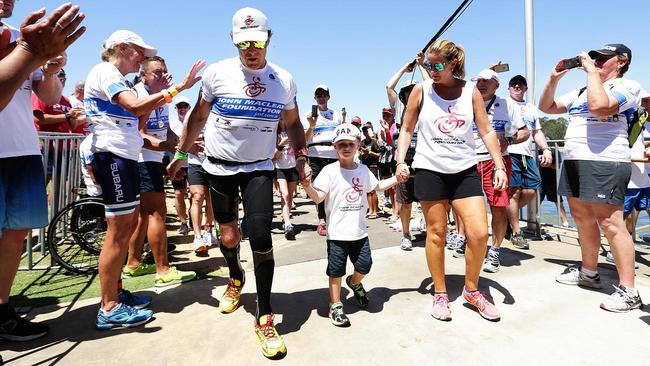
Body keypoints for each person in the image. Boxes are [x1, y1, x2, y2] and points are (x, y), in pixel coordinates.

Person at [167, 7, 308, 358]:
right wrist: (182, 154)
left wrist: (302, 158)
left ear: (268, 39)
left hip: (259, 167)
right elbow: (199, 116)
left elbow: (292, 123)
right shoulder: (217, 73)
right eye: (243, 42)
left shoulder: (284, 80)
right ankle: (235, 277)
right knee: (228, 235)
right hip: (218, 166)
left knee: (261, 235)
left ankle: (264, 315)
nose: (251, 49)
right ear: (234, 40)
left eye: (257, 42)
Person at [86, 29, 204, 330]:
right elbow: (136, 107)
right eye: (140, 52)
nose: (143, 59)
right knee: (118, 231)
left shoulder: (118, 77)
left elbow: (142, 118)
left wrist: (179, 145)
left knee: (125, 229)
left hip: (123, 158)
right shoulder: (105, 71)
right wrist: (179, 88)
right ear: (122, 48)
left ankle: (115, 292)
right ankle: (109, 306)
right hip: (114, 157)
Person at [395, 39, 506, 321]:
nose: (432, 69)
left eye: (438, 65)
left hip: (465, 169)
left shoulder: (470, 91)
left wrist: (499, 165)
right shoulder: (421, 91)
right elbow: (406, 129)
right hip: (430, 169)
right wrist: (400, 161)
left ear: (453, 64)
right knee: (437, 233)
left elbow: (487, 131)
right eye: (429, 65)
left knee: (480, 233)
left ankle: (472, 290)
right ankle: (441, 293)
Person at [0, 2, 85, 342]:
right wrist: (27, 52)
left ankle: (3, 310)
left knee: (16, 235)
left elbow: (48, 96)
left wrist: (50, 68)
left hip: (21, 151)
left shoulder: (24, 37)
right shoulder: (23, 41)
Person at [539, 43, 643, 312]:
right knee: (582, 218)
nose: (596, 62)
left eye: (603, 59)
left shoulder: (628, 86)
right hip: (574, 162)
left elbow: (600, 107)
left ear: (621, 62)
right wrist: (553, 78)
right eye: (594, 57)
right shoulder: (583, 89)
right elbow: (547, 107)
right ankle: (589, 272)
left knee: (611, 223)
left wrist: (590, 72)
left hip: (605, 162)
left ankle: (629, 291)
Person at [300, 124, 398, 327]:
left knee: (365, 265)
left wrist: (397, 178)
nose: (346, 148)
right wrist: (307, 185)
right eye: (341, 144)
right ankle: (335, 305)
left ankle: (354, 283)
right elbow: (318, 198)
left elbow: (377, 187)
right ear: (335, 147)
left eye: (350, 144)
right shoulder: (329, 171)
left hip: (359, 232)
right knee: (335, 272)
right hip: (336, 234)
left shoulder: (363, 170)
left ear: (358, 146)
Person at [122, 56, 197, 286]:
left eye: (165, 71)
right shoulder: (139, 95)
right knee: (157, 213)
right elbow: (140, 136)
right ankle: (163, 270)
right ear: (142, 74)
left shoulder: (161, 99)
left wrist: (182, 149)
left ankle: (133, 264)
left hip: (152, 160)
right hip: (142, 160)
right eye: (157, 72)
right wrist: (172, 147)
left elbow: (167, 134)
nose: (163, 75)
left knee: (145, 215)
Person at [459, 69, 529, 274]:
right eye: (478, 80)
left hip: (496, 161)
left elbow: (524, 131)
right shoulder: (467, 102)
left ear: (496, 85)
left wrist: (508, 140)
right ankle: (466, 239)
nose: (481, 84)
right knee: (464, 205)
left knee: (498, 207)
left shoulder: (508, 105)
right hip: (468, 162)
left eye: (486, 81)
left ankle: (495, 250)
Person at [386, 53, 431, 250]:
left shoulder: (428, 105)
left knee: (428, 202)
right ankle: (406, 235)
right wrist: (405, 69)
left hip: (425, 160)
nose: (410, 93)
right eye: (407, 91)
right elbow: (389, 86)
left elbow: (429, 83)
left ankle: (431, 232)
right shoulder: (398, 108)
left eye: (414, 90)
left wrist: (421, 65)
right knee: (405, 202)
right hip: (404, 161)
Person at [505, 74, 553, 250]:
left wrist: (546, 149)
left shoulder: (531, 108)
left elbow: (537, 132)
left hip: (527, 155)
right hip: (509, 152)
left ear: (525, 88)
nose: (517, 87)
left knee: (532, 190)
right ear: (508, 88)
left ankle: (506, 217)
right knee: (514, 192)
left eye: (521, 84)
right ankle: (516, 232)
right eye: (513, 84)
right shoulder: (503, 104)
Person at [305, 84, 343, 236]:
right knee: (319, 188)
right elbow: (305, 138)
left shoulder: (337, 114)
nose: (321, 97)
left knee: (334, 188)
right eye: (318, 95)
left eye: (323, 94)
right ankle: (321, 219)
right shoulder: (309, 114)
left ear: (328, 97)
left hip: (333, 154)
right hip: (316, 154)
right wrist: (311, 126)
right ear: (315, 97)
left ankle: (333, 218)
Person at [168, 96, 192, 240]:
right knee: (178, 194)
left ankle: (192, 220)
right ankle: (183, 222)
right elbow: (174, 143)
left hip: (195, 162)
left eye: (185, 106)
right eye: (179, 106)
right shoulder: (171, 124)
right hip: (178, 163)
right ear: (175, 108)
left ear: (189, 107)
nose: (182, 109)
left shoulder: (193, 121)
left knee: (196, 195)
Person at [274, 119, 298, 240]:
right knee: (285, 194)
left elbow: (301, 147)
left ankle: (286, 218)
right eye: (281, 117)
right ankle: (288, 223)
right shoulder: (274, 133)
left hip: (292, 167)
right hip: (280, 168)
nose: (283, 119)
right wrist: (281, 145)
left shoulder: (293, 132)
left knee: (290, 197)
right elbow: (274, 156)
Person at [378, 107, 399, 222]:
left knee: (395, 187)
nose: (385, 117)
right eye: (384, 115)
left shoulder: (396, 126)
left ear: (392, 116)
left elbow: (393, 143)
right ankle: (394, 211)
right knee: (391, 187)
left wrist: (386, 131)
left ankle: (396, 213)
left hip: (395, 157)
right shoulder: (386, 128)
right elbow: (386, 143)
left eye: (388, 115)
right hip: (388, 158)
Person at [359, 122, 381, 218]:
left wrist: (370, 152)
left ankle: (375, 210)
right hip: (365, 166)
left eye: (366, 130)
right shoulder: (362, 142)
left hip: (374, 166)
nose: (365, 132)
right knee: (368, 190)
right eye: (363, 130)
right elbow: (360, 157)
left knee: (373, 189)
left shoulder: (374, 141)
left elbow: (379, 155)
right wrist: (363, 154)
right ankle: (370, 210)